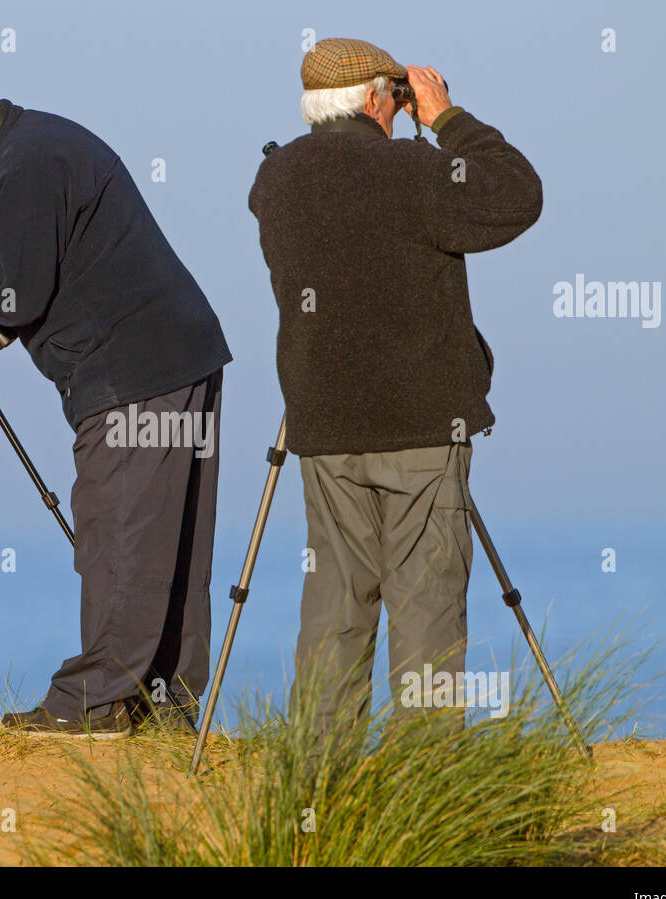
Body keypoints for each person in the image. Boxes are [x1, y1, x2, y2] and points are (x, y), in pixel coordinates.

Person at [0, 68, 232, 738]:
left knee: (120, 537)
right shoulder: (33, 147)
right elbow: (25, 247)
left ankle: (93, 706)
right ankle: (163, 709)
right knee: (171, 546)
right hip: (176, 359)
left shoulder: (26, 165)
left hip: (135, 374)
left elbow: (10, 296)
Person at [248, 39, 542, 740]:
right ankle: (424, 784)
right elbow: (517, 195)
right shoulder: (415, 171)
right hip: (419, 428)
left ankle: (320, 777)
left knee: (335, 600)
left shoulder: (275, 181)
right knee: (427, 604)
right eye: (397, 95)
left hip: (322, 428)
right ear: (380, 97)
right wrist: (444, 119)